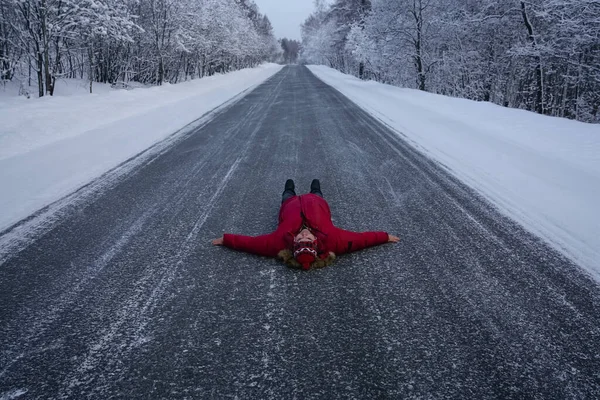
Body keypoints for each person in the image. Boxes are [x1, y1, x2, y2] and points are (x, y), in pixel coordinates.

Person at [211, 179, 400, 270]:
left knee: (286, 194)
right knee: (317, 192)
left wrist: (226, 240)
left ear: (294, 245)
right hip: (316, 202)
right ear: (315, 243)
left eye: (300, 240)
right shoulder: (334, 240)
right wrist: (385, 237)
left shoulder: (279, 243)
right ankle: (315, 188)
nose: (303, 235)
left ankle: (289, 188)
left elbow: (252, 244)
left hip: (290, 204)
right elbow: (361, 240)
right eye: (307, 239)